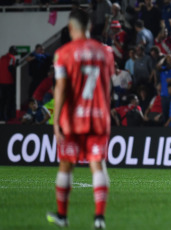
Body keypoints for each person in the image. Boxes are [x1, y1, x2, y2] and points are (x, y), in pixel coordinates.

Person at [46, 9, 115, 230]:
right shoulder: (106, 52)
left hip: (72, 119)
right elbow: (108, 83)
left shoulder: (63, 53)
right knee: (98, 165)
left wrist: (56, 121)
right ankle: (99, 218)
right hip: (98, 117)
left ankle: (62, 216)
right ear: (91, 27)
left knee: (66, 165)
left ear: (70, 27)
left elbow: (62, 88)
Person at [0, 45, 17, 122]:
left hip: (1, 82)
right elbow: (11, 69)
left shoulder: (2, 57)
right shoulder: (12, 58)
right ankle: (9, 116)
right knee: (9, 100)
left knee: (2, 100)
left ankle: (1, 116)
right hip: (9, 82)